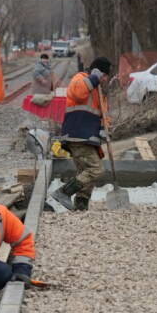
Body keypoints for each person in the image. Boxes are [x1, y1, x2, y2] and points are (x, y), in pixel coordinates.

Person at [51, 56, 112, 211]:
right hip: (78, 134)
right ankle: (63, 192)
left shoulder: (98, 90)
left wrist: (105, 129)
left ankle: (81, 206)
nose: (106, 79)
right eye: (105, 76)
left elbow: (103, 113)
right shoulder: (80, 79)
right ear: (98, 72)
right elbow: (79, 93)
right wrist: (94, 78)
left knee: (85, 173)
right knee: (95, 170)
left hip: (88, 137)